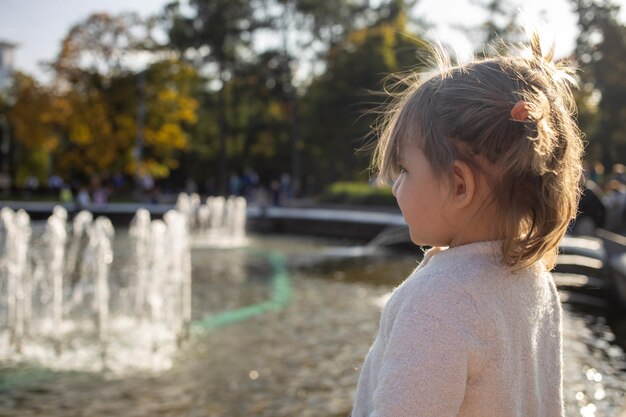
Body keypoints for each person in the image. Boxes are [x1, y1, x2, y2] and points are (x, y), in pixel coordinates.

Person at [351, 35, 583, 417]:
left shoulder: (438, 303)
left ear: (459, 185)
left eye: (406, 170)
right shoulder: (535, 281)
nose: (395, 187)